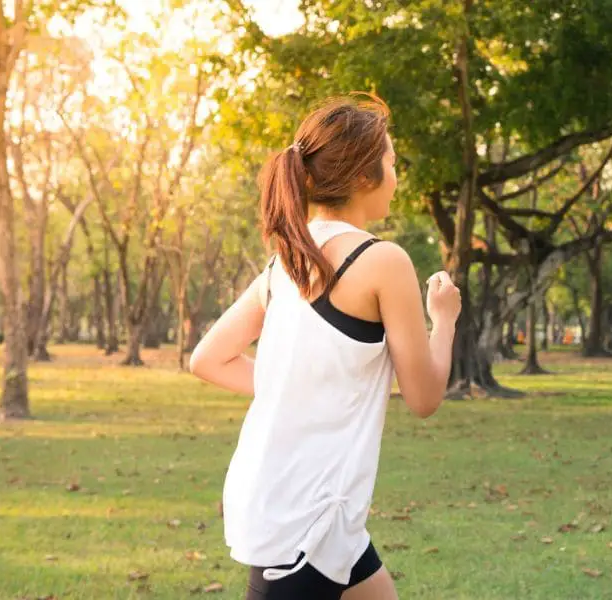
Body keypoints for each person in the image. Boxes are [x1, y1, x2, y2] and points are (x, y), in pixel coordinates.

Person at [188, 93, 461, 600]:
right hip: (302, 524)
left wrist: (297, 387)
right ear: (363, 175)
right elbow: (424, 398)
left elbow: (208, 358)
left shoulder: (284, 264)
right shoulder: (383, 261)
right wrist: (442, 321)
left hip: (312, 510)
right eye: (392, 163)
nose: (397, 177)